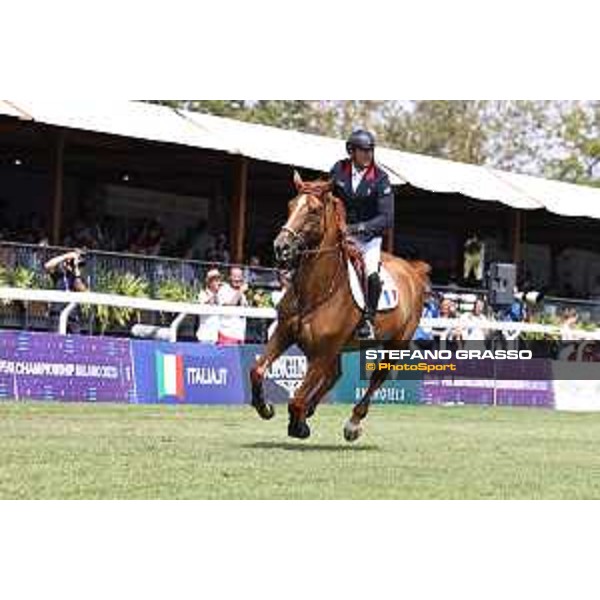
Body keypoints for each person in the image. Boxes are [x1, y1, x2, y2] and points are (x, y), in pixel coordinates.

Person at [330, 129, 394, 339]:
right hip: (340, 233)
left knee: (371, 275)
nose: (368, 155)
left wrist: (358, 228)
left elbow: (386, 218)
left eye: (370, 150)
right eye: (363, 150)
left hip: (368, 239)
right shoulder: (339, 169)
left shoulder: (381, 179)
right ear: (351, 151)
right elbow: (329, 198)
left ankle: (368, 319)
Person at [43, 249, 88, 334]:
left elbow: (82, 290)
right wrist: (66, 256)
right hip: (57, 314)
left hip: (73, 316)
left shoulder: (80, 277)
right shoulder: (59, 274)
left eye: (81, 265)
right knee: (55, 342)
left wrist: (76, 271)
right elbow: (47, 266)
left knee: (75, 343)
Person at [217, 266, 248, 345]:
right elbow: (228, 308)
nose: (237, 279)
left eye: (239, 277)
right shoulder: (223, 289)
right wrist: (240, 291)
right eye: (234, 276)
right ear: (229, 277)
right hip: (226, 335)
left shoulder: (242, 293)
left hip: (240, 336)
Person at [196, 268, 222, 343]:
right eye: (216, 280)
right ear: (209, 282)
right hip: (204, 337)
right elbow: (205, 304)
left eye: (219, 280)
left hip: (215, 337)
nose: (219, 283)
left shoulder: (219, 295)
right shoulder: (203, 293)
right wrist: (215, 294)